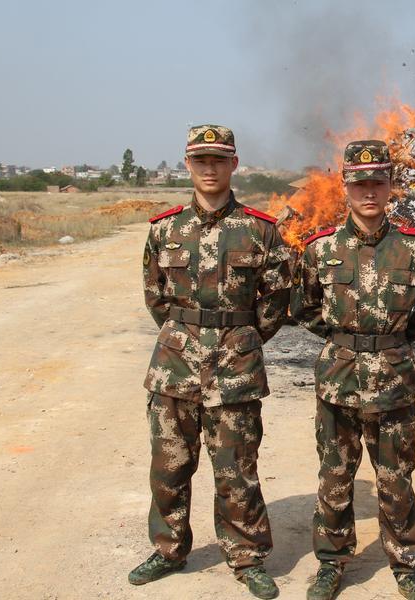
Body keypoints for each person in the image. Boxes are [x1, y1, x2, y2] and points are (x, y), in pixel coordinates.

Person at [130, 124, 291, 599]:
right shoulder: (164, 229)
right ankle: (168, 550)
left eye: (218, 159)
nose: (209, 168)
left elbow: (277, 300)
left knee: (237, 470)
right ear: (188, 164)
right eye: (201, 160)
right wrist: (187, 335)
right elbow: (155, 296)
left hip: (235, 371)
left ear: (233, 164)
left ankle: (247, 556)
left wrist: (240, 338)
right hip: (174, 368)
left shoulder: (261, 230)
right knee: (169, 467)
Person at [292, 140, 415, 600]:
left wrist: (395, 339)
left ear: (390, 186)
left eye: (377, 183)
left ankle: (406, 565)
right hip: (338, 381)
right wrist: (344, 341)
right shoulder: (321, 249)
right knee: (335, 477)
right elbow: (303, 307)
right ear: (345, 186)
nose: (369, 192)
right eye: (360, 183)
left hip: (393, 383)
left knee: (395, 479)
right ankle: (331, 563)